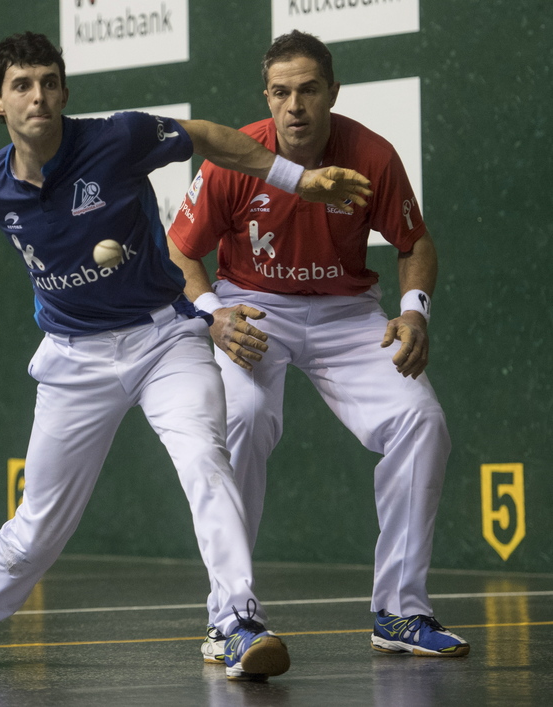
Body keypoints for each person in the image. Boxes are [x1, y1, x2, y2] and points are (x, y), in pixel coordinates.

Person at [0, 31, 372, 680]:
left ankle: (237, 619)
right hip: (73, 361)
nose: (39, 95)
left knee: (207, 456)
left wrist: (299, 179)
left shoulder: (117, 139)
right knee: (39, 524)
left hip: (163, 339)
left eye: (48, 82)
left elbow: (206, 136)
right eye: (22, 86)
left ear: (64, 91)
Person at [168, 30, 470, 660]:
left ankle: (399, 611)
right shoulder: (233, 160)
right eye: (281, 93)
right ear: (267, 97)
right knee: (244, 417)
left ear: (333, 93)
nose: (295, 106)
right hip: (252, 308)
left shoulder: (372, 154)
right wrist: (214, 315)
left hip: (347, 314)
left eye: (308, 91)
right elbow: (181, 250)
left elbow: (415, 243)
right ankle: (230, 616)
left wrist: (414, 313)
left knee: (421, 420)